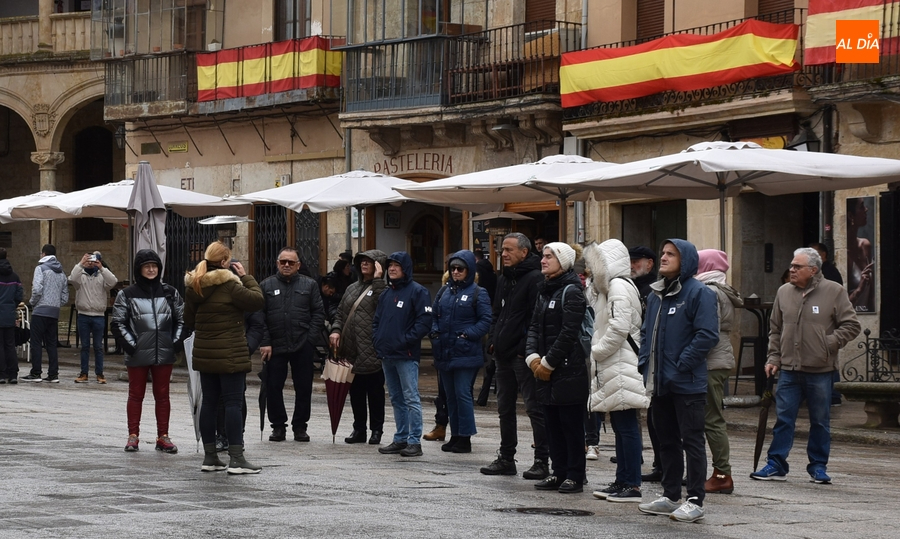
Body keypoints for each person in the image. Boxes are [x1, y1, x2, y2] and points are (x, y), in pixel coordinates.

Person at [751, 247, 860, 485]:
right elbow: (776, 330)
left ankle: (818, 466)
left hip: (820, 370)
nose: (791, 269)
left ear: (813, 270)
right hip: (789, 370)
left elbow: (851, 326)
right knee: (783, 419)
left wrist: (828, 343)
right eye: (791, 265)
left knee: (820, 421)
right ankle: (776, 463)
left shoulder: (834, 291)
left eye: (796, 266)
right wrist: (773, 358)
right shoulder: (784, 292)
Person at [637, 239, 718, 523]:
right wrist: (644, 363)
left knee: (692, 441)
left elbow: (707, 335)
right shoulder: (656, 294)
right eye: (662, 253)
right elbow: (646, 333)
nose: (663, 257)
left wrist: (682, 365)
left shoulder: (699, 293)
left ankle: (695, 499)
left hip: (687, 383)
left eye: (671, 254)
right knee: (666, 440)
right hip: (660, 383)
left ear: (686, 260)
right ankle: (671, 495)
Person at [184, 242, 265, 474]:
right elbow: (257, 301)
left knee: (209, 402)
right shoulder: (230, 285)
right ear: (223, 262)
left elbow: (188, 320)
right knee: (232, 403)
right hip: (230, 353)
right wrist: (247, 277)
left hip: (205, 353)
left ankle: (210, 457)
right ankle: (237, 459)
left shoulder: (194, 286)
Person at [583, 240, 650, 502]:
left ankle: (631, 484)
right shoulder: (610, 287)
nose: (590, 268)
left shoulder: (620, 286)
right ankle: (623, 479)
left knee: (626, 426)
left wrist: (596, 352)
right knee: (622, 425)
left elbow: (619, 327)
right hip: (616, 364)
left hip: (621, 363)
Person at [480, 232, 549, 479]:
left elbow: (534, 318)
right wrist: (492, 339)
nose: (504, 255)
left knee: (533, 407)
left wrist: (523, 350)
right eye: (502, 251)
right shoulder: (504, 278)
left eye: (509, 250)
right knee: (504, 408)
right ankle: (506, 457)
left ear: (524, 251)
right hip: (501, 353)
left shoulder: (534, 278)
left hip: (522, 356)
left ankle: (542, 460)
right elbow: (496, 312)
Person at [525, 242, 588, 494]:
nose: (543, 260)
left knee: (570, 425)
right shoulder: (544, 290)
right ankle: (558, 471)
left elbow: (569, 332)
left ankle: (575, 475)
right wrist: (533, 359)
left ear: (563, 262)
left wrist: (548, 362)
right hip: (545, 369)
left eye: (549, 257)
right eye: (543, 256)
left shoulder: (572, 291)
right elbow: (533, 327)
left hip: (567, 369)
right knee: (552, 423)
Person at [111, 249, 185, 453]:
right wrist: (132, 345)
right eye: (147, 266)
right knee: (136, 394)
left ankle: (163, 436)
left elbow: (182, 319)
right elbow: (118, 323)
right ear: (139, 269)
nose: (151, 269)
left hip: (164, 352)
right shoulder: (126, 294)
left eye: (154, 266)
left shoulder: (170, 292)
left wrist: (174, 342)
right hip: (137, 353)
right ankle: (133, 436)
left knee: (163, 395)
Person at [259, 247, 325, 443]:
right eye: (283, 262)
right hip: (275, 345)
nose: (286, 265)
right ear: (277, 263)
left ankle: (300, 427)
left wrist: (310, 339)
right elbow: (258, 316)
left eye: (291, 262)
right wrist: (265, 341)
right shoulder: (266, 285)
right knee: (273, 386)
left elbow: (319, 313)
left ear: (298, 265)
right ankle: (278, 426)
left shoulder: (310, 285)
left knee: (303, 387)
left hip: (302, 344)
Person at [429, 250, 492, 454]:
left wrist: (467, 335)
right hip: (445, 350)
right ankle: (455, 434)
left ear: (469, 270)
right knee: (450, 395)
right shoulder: (444, 292)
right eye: (453, 268)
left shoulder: (478, 292)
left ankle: (465, 437)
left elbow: (485, 321)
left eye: (460, 268)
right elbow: (434, 314)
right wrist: (435, 332)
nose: (455, 272)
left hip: (466, 351)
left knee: (462, 393)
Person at [373, 251, 432, 457]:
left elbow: (424, 322)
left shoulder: (418, 291)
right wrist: (377, 339)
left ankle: (414, 441)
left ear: (405, 268)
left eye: (397, 265)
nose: (392, 268)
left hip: (406, 355)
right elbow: (377, 321)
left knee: (411, 398)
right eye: (390, 265)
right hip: (387, 354)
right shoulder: (386, 294)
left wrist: (405, 340)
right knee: (396, 398)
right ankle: (400, 438)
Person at [695, 249, 743, 495]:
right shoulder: (717, 288)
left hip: (710, 361)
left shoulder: (710, 291)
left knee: (712, 419)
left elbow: (706, 332)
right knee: (710, 418)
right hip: (717, 360)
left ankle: (722, 474)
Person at [329, 249, 388, 445]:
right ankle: (359, 429)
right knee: (356, 393)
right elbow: (340, 313)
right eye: (362, 261)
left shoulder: (384, 289)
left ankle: (377, 430)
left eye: (369, 262)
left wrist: (378, 280)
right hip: (351, 349)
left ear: (378, 265)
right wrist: (336, 330)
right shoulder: (352, 288)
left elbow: (384, 307)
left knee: (375, 393)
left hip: (372, 350)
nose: (364, 264)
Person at [629, 244, 661, 482]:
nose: (631, 265)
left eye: (636, 260)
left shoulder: (652, 288)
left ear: (649, 263)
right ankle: (657, 463)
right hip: (636, 355)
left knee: (657, 415)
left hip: (649, 356)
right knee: (649, 415)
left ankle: (663, 464)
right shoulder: (631, 285)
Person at [69, 251, 117, 384]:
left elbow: (113, 281)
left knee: (98, 346)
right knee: (84, 346)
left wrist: (101, 267)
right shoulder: (80, 275)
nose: (91, 262)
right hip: (83, 315)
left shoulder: (102, 276)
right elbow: (72, 279)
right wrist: (80, 263)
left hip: (98, 316)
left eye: (93, 259)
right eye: (88, 259)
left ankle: (100, 374)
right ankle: (84, 373)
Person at [22, 244, 69, 383]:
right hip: (54, 312)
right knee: (51, 343)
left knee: (36, 342)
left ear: (43, 254)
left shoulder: (40, 268)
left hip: (40, 310)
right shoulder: (61, 273)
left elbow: (37, 289)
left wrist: (32, 302)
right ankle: (53, 374)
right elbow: (65, 295)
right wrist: (55, 303)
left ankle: (36, 373)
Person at [809, 242, 845, 407]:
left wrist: (831, 339)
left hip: (827, 324)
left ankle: (833, 395)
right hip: (816, 324)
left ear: (824, 255)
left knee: (829, 360)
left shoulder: (829, 273)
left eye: (815, 253)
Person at [0, 248, 23, 384]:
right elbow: (19, 295)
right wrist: (11, 306)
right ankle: (13, 374)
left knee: (0, 345)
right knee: (10, 345)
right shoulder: (14, 276)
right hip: (9, 314)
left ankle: (1, 374)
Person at [846, 198, 874, 312]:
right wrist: (859, 289)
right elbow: (839, 306)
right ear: (850, 215)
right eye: (861, 206)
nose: (866, 210)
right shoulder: (843, 255)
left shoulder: (865, 245)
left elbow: (872, 294)